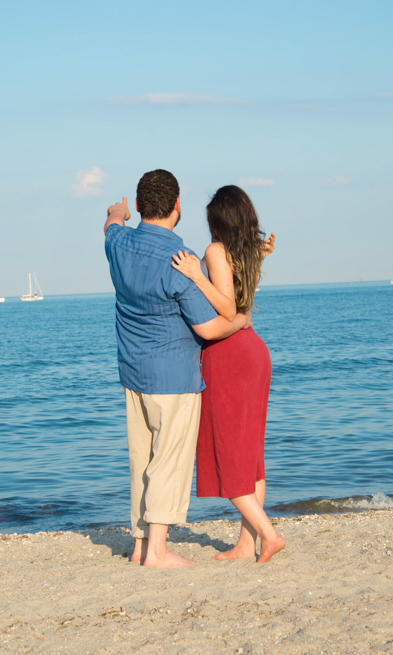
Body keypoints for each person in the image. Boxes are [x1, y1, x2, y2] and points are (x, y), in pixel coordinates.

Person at [103, 169, 251, 568]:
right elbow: (208, 327)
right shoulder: (179, 258)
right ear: (177, 206)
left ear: (138, 206)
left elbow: (111, 224)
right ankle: (158, 551)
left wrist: (117, 212)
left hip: (132, 372)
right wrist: (240, 320)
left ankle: (139, 545)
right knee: (167, 461)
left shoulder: (118, 243)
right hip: (172, 376)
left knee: (141, 459)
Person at [170, 185, 285, 563]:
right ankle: (245, 543)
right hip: (254, 351)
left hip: (229, 356)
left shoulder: (216, 251)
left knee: (227, 453)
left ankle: (268, 535)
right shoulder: (250, 252)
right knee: (251, 456)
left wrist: (195, 274)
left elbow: (228, 305)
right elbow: (242, 300)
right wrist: (262, 253)